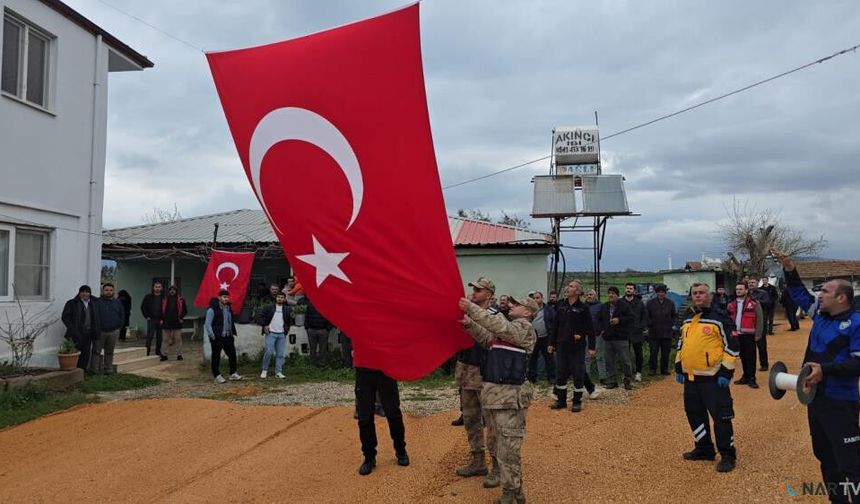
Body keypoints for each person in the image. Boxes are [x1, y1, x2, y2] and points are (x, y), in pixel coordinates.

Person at [773, 248, 860, 502]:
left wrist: (826, 370)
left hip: (841, 402)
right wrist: (789, 269)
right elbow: (799, 292)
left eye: (825, 292)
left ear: (842, 298)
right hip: (815, 400)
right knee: (825, 458)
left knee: (851, 463)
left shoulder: (856, 323)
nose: (819, 295)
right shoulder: (819, 314)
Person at [459, 293, 537, 504]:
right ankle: (515, 494)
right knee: (499, 446)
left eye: (517, 303)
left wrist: (471, 309)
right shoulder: (509, 333)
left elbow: (499, 327)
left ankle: (511, 494)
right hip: (496, 397)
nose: (511, 305)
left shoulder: (525, 329)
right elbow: (487, 339)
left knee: (508, 450)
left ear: (528, 312)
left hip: (510, 400)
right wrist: (469, 324)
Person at [675, 282, 739, 473]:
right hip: (692, 379)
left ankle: (728, 454)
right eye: (695, 293)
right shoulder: (688, 317)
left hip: (714, 380)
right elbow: (682, 342)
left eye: (702, 293)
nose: (698, 296)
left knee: (722, 418)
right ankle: (704, 449)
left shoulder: (720, 317)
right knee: (694, 415)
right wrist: (679, 366)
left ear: (709, 295)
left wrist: (726, 372)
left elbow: (733, 346)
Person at [454, 277, 501, 488]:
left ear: (489, 294)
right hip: (465, 369)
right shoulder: (464, 313)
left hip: (485, 372)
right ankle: (478, 460)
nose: (474, 292)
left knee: (491, 422)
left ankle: (498, 466)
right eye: (474, 288)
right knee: (471, 419)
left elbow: (491, 339)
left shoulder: (495, 316)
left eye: (479, 289)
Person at [549, 281, 598, 412]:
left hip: (577, 347)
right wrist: (551, 343)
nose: (567, 288)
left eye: (571, 286)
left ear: (577, 291)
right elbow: (555, 326)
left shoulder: (583, 308)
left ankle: (576, 401)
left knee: (578, 374)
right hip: (561, 345)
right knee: (560, 373)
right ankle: (561, 401)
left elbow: (590, 329)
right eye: (568, 286)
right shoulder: (561, 305)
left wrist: (592, 347)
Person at [354, 362, 409, 475]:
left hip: (385, 369)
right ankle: (369, 457)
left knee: (393, 414)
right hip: (363, 371)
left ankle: (401, 450)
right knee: (364, 417)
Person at [728, 281, 764, 389]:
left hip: (749, 334)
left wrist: (758, 334)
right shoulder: (731, 304)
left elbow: (760, 319)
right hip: (737, 334)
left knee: (751, 357)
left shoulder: (754, 303)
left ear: (746, 290)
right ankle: (745, 376)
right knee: (742, 357)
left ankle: (752, 378)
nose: (738, 291)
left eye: (741, 289)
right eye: (737, 289)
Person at [598, 286, 634, 390]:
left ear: (617, 295)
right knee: (609, 360)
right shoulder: (604, 306)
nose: (611, 295)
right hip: (608, 338)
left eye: (613, 293)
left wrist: (619, 320)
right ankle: (612, 381)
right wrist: (602, 329)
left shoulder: (624, 306)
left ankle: (627, 381)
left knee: (625, 361)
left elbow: (631, 318)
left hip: (621, 337)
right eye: (609, 293)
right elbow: (599, 319)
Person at [204, 290, 243, 384]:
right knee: (216, 356)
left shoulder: (228, 307)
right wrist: (212, 336)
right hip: (217, 337)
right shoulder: (212, 309)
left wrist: (231, 333)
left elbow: (230, 321)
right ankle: (217, 375)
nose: (226, 299)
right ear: (219, 298)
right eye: (224, 297)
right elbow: (207, 324)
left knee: (232, 355)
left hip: (228, 336)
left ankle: (233, 373)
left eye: (227, 297)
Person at [61, 285, 100, 371]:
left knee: (85, 354)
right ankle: (73, 372)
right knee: (74, 353)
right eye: (82, 292)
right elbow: (65, 317)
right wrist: (72, 328)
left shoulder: (94, 303)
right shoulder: (72, 303)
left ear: (90, 293)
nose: (85, 294)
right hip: (75, 334)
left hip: (89, 333)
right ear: (79, 293)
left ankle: (82, 372)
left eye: (87, 292)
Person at [93, 283, 124, 374]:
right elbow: (94, 316)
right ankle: (94, 370)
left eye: (110, 290)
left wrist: (119, 326)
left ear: (113, 291)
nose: (108, 292)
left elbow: (122, 315)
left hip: (113, 331)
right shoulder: (97, 302)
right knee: (96, 351)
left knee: (110, 351)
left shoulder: (117, 302)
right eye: (106, 290)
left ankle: (108, 369)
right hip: (100, 331)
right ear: (102, 291)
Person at [645, 284, 676, 375]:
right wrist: (650, 324)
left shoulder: (670, 303)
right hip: (654, 332)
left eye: (663, 292)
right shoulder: (650, 303)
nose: (661, 294)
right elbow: (646, 316)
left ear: (665, 293)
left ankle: (664, 369)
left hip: (667, 332)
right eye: (659, 292)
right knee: (653, 352)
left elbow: (674, 315)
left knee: (666, 352)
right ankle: (652, 369)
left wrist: (671, 323)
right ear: (656, 293)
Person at [621, 283, 648, 382]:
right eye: (627, 288)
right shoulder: (620, 302)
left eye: (631, 288)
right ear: (625, 290)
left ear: (634, 291)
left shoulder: (639, 302)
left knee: (638, 354)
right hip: (624, 332)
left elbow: (644, 316)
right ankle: (626, 373)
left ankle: (638, 373)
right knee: (625, 354)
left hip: (637, 332)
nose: (628, 290)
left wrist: (641, 326)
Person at [526, 291, 555, 384]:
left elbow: (553, 323)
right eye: (534, 298)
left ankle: (551, 377)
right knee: (532, 358)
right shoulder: (529, 310)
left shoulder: (548, 309)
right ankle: (532, 377)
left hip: (545, 337)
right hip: (533, 337)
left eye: (537, 297)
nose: (535, 299)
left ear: (542, 299)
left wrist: (552, 339)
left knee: (548, 358)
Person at [259, 291, 289, 379]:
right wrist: (264, 325)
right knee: (268, 352)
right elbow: (260, 316)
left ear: (284, 299)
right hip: (270, 333)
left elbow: (288, 321)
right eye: (278, 297)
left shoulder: (287, 309)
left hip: (281, 334)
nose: (280, 299)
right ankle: (264, 370)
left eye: (282, 297)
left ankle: (278, 372)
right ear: (276, 298)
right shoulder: (269, 307)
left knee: (280, 354)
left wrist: (285, 331)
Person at [585, 289, 608, 384]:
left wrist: (603, 331)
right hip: (586, 335)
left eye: (591, 294)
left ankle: (603, 377)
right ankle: (586, 377)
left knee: (600, 356)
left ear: (595, 296)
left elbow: (605, 319)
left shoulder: (601, 306)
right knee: (586, 357)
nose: (589, 296)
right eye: (587, 295)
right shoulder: (583, 306)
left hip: (598, 335)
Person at [748, 279, 770, 371]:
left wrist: (755, 301)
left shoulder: (763, 293)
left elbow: (767, 303)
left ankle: (764, 364)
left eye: (752, 283)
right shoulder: (746, 293)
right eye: (749, 283)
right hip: (748, 323)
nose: (750, 284)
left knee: (761, 344)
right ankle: (750, 366)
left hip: (760, 321)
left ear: (757, 284)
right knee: (749, 346)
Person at [160, 285, 187, 361]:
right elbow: (161, 310)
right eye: (170, 290)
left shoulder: (181, 300)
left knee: (178, 339)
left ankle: (179, 354)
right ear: (168, 291)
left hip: (177, 322)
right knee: (165, 339)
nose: (172, 291)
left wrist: (181, 318)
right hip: (166, 322)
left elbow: (185, 310)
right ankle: (164, 355)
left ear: (176, 291)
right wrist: (161, 319)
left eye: (174, 290)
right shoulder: (164, 299)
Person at [140, 281, 165, 357]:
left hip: (160, 320)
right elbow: (143, 307)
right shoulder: (148, 297)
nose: (157, 288)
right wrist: (146, 316)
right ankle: (147, 351)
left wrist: (163, 319)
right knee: (149, 336)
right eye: (156, 287)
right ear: (153, 288)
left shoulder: (164, 298)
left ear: (161, 288)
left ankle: (158, 352)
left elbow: (167, 309)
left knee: (159, 337)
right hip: (151, 319)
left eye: (159, 287)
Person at [305, 298, 332, 367]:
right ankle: (312, 364)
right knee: (312, 348)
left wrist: (327, 328)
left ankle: (322, 364)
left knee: (323, 349)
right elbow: (306, 316)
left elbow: (331, 317)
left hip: (323, 330)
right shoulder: (310, 305)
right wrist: (307, 327)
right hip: (312, 330)